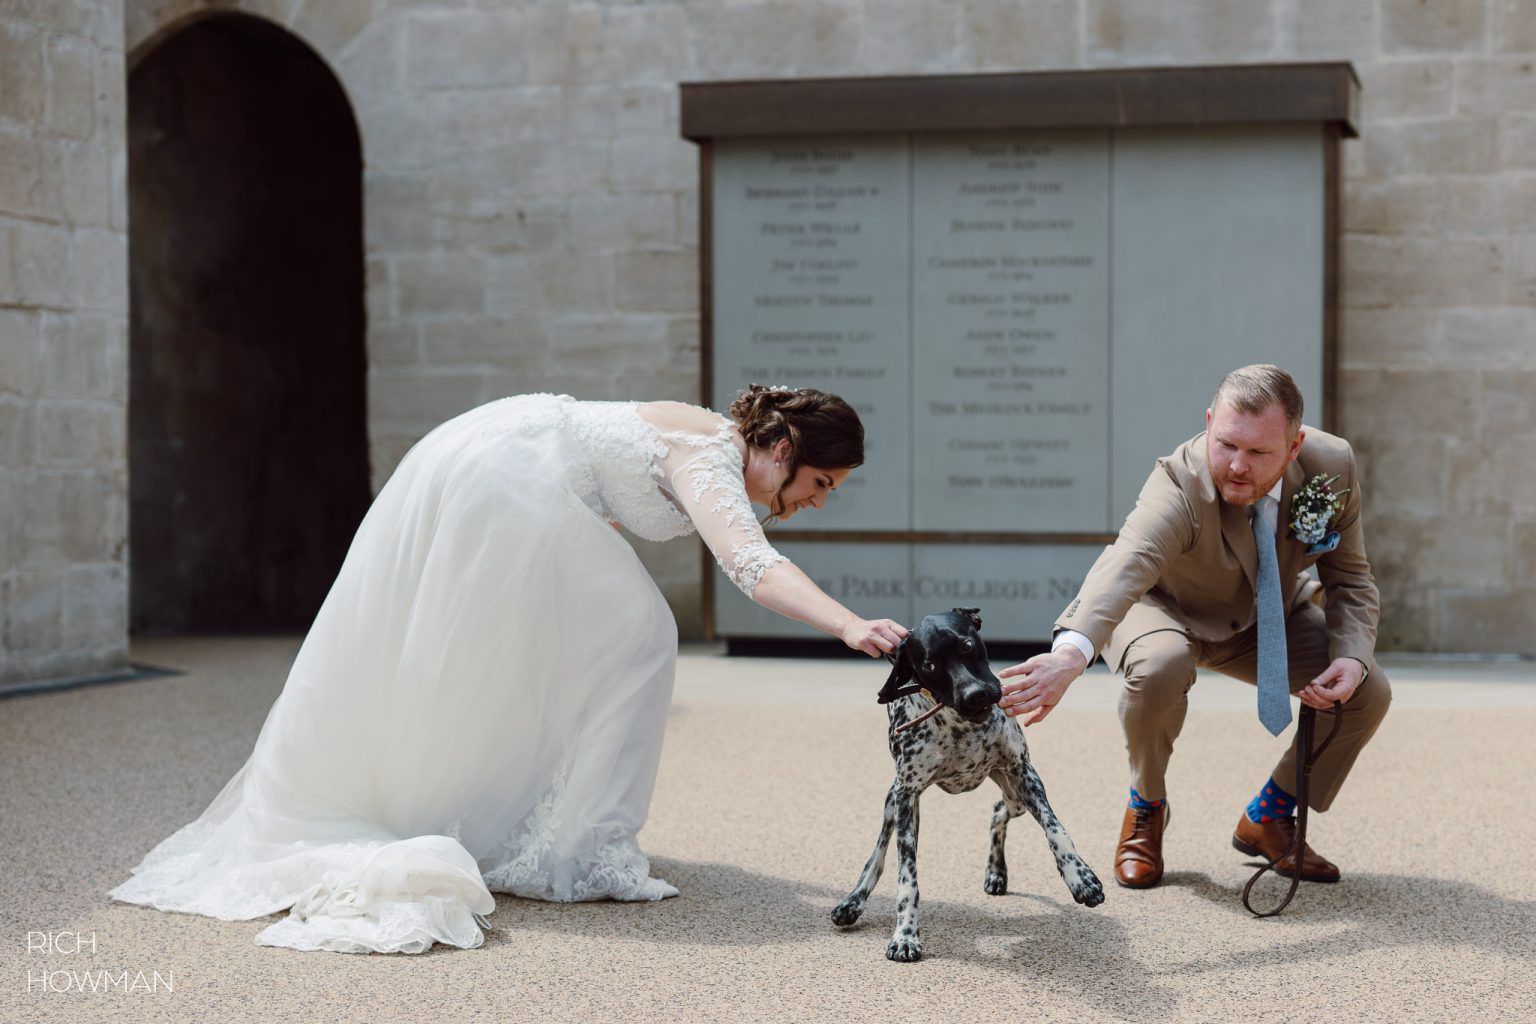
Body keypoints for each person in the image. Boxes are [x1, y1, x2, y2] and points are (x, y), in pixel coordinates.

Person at [111, 386, 908, 953]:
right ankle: (581, 848)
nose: (816, 501)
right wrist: (845, 623)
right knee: (640, 633)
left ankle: (540, 824)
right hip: (507, 476)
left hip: (504, 453)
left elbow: (608, 485)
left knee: (587, 638)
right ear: (782, 448)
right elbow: (749, 564)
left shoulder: (707, 440)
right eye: (819, 484)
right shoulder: (713, 456)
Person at [997, 364, 1390, 889]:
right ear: (1209, 422)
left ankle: (1269, 817)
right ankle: (1146, 807)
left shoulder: (1331, 465)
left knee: (1367, 689)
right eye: (1225, 443)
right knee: (1161, 665)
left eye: (1258, 453)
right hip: (1163, 609)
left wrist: (1349, 655)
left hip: (1265, 615)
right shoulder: (1180, 481)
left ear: (1294, 447)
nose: (1235, 465)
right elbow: (1128, 560)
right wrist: (1072, 654)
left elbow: (1353, 579)